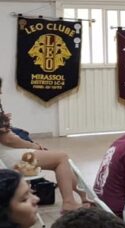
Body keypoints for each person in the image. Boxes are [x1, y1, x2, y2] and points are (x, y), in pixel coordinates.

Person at [0, 77, 86, 212]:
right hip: (10, 160)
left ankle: (84, 196)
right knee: (61, 158)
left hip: (6, 156)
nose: (1, 94)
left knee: (58, 160)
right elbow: (9, 140)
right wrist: (32, 145)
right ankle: (70, 202)